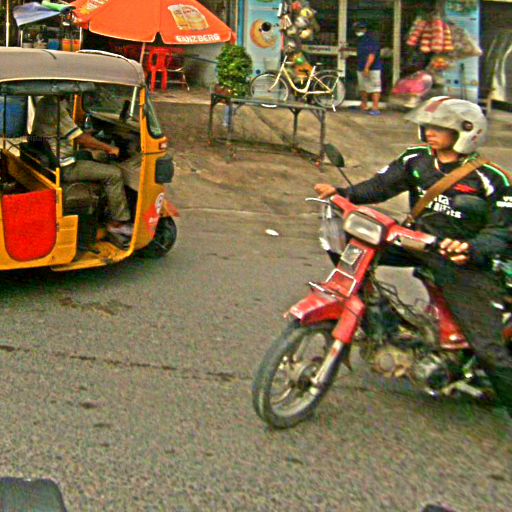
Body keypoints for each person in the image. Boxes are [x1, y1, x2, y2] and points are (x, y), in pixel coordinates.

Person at [315, 96, 512, 419]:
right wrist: (342, 193)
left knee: (488, 348)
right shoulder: (416, 160)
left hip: (461, 260)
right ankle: (378, 322)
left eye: (439, 128)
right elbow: (380, 187)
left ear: (466, 132)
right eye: (428, 126)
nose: (429, 132)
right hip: (416, 242)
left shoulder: (492, 179)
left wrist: (470, 249)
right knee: (353, 247)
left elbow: (501, 232)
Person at [31, 95, 133, 238]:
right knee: (114, 173)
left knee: (91, 155)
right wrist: (110, 148)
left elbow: (70, 131)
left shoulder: (45, 101)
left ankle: (104, 207)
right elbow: (81, 139)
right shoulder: (55, 107)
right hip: (65, 167)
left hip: (51, 158)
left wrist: (90, 138)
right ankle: (117, 224)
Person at [353, 21, 382, 116]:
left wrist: (367, 67)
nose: (358, 31)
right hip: (361, 67)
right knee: (363, 87)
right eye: (357, 29)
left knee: (375, 88)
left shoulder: (371, 40)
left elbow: (372, 55)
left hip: (373, 68)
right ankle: (364, 104)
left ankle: (375, 108)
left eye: (360, 29)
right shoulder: (360, 40)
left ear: (365, 29)